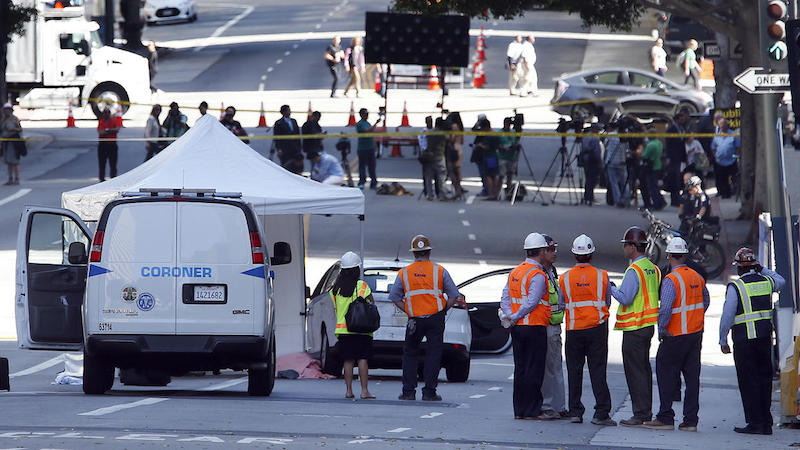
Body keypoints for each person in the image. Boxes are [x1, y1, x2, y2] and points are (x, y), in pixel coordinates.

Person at [643, 237, 709, 432]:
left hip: (675, 334)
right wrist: (694, 317)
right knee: (692, 378)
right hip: (695, 334)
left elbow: (665, 310)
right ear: (686, 255)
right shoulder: (697, 276)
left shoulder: (671, 280)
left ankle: (665, 417)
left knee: (665, 373)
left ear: (669, 255)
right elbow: (705, 301)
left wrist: (662, 330)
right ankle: (690, 421)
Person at [389, 235, 463, 401]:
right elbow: (453, 295)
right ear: (429, 252)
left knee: (410, 354)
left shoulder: (404, 273)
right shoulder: (439, 271)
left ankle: (408, 392)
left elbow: (394, 296)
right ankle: (429, 392)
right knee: (433, 354)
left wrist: (409, 310)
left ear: (414, 254)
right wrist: (443, 310)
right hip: (435, 318)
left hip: (414, 319)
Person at [720, 247, 785, 435]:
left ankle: (755, 423)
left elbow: (727, 315)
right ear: (754, 265)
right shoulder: (767, 282)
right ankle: (766, 423)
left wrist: (723, 339)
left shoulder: (736, 286)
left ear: (739, 268)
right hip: (764, 340)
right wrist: (762, 268)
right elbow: (782, 281)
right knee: (764, 380)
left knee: (749, 382)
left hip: (744, 341)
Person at [559, 234, 616, 426]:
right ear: (592, 255)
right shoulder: (602, 276)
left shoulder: (564, 278)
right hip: (597, 328)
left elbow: (561, 304)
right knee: (598, 371)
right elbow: (607, 301)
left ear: (574, 256)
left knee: (574, 371)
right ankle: (601, 413)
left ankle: (575, 411)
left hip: (574, 329)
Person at [500, 232, 558, 420]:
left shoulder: (515, 272)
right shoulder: (538, 275)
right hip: (534, 326)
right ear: (541, 252)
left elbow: (505, 298)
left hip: (517, 329)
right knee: (535, 370)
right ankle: (533, 410)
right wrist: (515, 316)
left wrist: (510, 316)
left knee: (521, 369)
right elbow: (532, 302)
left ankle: (520, 410)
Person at [610, 226, 661, 426]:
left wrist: (612, 288)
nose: (624, 249)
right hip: (647, 326)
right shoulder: (653, 268)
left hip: (634, 328)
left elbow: (626, 298)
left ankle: (640, 414)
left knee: (636, 372)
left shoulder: (634, 270)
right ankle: (644, 411)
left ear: (633, 247)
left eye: (626, 245)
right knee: (644, 370)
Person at [330, 251, 376, 400]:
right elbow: (371, 303)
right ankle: (364, 391)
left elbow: (336, 307)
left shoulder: (335, 289)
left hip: (343, 331)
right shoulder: (362, 286)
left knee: (348, 360)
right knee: (362, 359)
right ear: (357, 269)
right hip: (362, 330)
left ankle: (349, 391)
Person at [540, 234, 568, 420]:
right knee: (549, 368)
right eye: (550, 250)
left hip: (554, 326)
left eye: (554, 249)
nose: (554, 253)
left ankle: (555, 406)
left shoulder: (551, 271)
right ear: (541, 252)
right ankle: (552, 406)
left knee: (555, 367)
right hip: (546, 325)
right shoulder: (540, 273)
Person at [710, 118, 740, 199]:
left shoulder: (733, 134)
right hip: (720, 161)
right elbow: (713, 147)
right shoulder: (717, 136)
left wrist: (736, 156)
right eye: (720, 125)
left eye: (723, 125)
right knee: (722, 179)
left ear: (727, 125)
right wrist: (715, 156)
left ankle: (736, 192)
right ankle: (724, 193)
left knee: (734, 177)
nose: (722, 127)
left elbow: (737, 147)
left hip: (731, 160)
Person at [664, 111, 689, 206]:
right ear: (677, 120)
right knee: (674, 178)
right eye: (681, 119)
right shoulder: (671, 130)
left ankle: (677, 198)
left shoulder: (681, 129)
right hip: (673, 158)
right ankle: (674, 199)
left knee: (678, 178)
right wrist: (668, 157)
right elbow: (669, 145)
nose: (683, 121)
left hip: (680, 157)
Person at [355, 108, 383, 189]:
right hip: (363, 148)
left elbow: (371, 134)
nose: (367, 116)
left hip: (370, 148)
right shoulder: (359, 124)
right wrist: (376, 124)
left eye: (367, 114)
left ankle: (373, 182)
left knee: (372, 166)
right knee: (362, 166)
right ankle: (362, 182)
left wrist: (375, 147)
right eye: (365, 114)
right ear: (361, 115)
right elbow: (366, 131)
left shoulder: (367, 123)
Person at [604, 122, 629, 208]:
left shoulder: (610, 135)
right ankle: (626, 199)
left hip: (611, 162)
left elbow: (605, 145)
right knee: (624, 182)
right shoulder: (625, 136)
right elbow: (627, 148)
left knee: (614, 183)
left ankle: (618, 200)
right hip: (622, 162)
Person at [423, 118, 449, 201]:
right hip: (439, 155)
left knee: (429, 176)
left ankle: (429, 194)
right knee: (441, 175)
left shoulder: (429, 133)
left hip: (430, 155)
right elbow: (448, 140)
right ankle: (442, 194)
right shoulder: (443, 134)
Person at [273, 105, 303, 174]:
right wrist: (279, 150)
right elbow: (277, 137)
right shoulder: (279, 123)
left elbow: (298, 134)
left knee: (296, 166)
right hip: (285, 149)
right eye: (287, 111)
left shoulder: (294, 121)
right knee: (286, 167)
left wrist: (299, 147)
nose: (289, 112)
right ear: (283, 112)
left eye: (289, 110)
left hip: (295, 148)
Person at [475, 119, 500, 199]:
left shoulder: (488, 136)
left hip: (489, 156)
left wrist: (480, 145)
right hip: (494, 156)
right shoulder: (495, 134)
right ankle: (495, 193)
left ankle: (490, 194)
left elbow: (486, 146)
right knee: (494, 175)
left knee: (488, 175)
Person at [641, 132, 666, 210]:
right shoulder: (659, 143)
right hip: (658, 165)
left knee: (652, 187)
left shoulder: (650, 145)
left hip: (651, 167)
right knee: (655, 186)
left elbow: (645, 156)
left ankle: (656, 204)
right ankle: (661, 201)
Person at [580, 122, 603, 206]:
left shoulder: (586, 136)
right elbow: (597, 152)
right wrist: (600, 161)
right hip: (593, 160)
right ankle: (589, 197)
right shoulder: (595, 138)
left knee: (588, 179)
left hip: (586, 159)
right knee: (592, 180)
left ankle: (588, 196)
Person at [97, 107, 122, 182]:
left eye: (108, 112)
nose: (106, 114)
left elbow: (117, 129)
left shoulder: (113, 121)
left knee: (113, 163)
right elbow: (101, 132)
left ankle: (113, 178)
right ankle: (102, 179)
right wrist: (111, 130)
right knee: (102, 163)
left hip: (112, 144)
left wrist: (107, 130)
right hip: (103, 145)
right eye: (105, 113)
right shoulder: (101, 122)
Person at [1, 103, 23, 185]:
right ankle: (10, 179)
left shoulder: (15, 119)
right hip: (6, 142)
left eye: (8, 110)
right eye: (5, 110)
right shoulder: (3, 119)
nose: (6, 112)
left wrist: (13, 129)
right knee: (8, 162)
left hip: (14, 143)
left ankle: (17, 179)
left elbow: (20, 129)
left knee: (15, 161)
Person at [446, 112, 465, 200]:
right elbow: (462, 141)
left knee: (453, 171)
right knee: (457, 170)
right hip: (459, 148)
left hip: (454, 149)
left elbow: (452, 138)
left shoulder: (453, 126)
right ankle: (459, 189)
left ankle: (457, 189)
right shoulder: (461, 128)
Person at [497, 117, 517, 197]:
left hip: (511, 157)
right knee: (501, 175)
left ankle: (508, 192)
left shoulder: (513, 132)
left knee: (510, 175)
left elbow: (515, 142)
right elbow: (497, 144)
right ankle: (497, 192)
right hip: (502, 157)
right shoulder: (499, 132)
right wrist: (503, 148)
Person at [470, 114, 489, 196]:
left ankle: (487, 190)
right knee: (487, 174)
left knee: (485, 173)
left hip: (484, 156)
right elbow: (473, 129)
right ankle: (488, 189)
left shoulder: (485, 133)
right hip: (487, 156)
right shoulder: (485, 132)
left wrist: (479, 145)